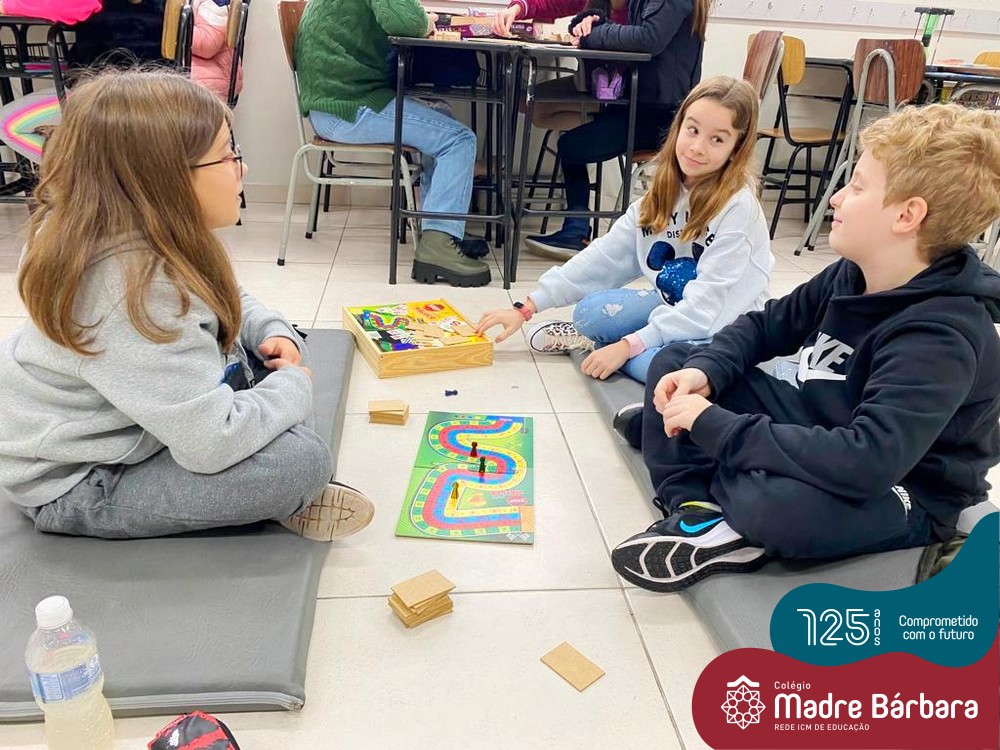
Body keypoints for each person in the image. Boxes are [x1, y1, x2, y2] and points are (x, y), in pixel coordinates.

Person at [610, 104, 1000, 593]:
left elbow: (867, 462)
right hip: (822, 425)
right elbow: (764, 327)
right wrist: (706, 371)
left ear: (907, 215)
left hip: (903, 485)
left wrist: (714, 427)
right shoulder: (854, 273)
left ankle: (697, 459)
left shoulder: (940, 336)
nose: (837, 197)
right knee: (678, 362)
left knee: (773, 506)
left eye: (857, 186)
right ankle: (694, 506)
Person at [0, 69, 373, 542]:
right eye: (228, 155)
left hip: (138, 422)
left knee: (267, 358)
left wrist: (269, 328)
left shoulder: (124, 228)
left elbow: (224, 294)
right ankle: (287, 494)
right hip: (81, 480)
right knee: (301, 462)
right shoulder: (132, 289)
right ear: (162, 179)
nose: (243, 169)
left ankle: (273, 463)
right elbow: (211, 443)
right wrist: (294, 386)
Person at [477, 77, 772, 385]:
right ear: (679, 127)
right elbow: (604, 257)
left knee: (661, 368)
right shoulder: (664, 193)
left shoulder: (739, 208)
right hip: (677, 307)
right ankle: (628, 346)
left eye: (717, 140)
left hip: (729, 325)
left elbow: (708, 307)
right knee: (589, 313)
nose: (697, 148)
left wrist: (627, 346)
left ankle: (624, 350)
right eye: (693, 130)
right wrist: (526, 307)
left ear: (736, 149)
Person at [296, 0, 491, 287]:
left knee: (442, 116)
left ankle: (439, 229)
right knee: (459, 140)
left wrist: (420, 17)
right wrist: (426, 20)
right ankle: (437, 245)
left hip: (337, 101)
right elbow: (409, 21)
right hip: (345, 108)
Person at [522, 0, 711, 260]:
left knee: (571, 147)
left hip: (659, 116)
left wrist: (594, 33)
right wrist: (590, 22)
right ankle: (575, 229)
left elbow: (648, 39)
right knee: (572, 143)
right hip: (643, 106)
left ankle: (575, 231)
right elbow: (627, 30)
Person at [191, 0, 243, 103]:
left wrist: (175, 27)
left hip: (209, 80)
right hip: (202, 77)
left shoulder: (218, 4)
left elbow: (207, 43)